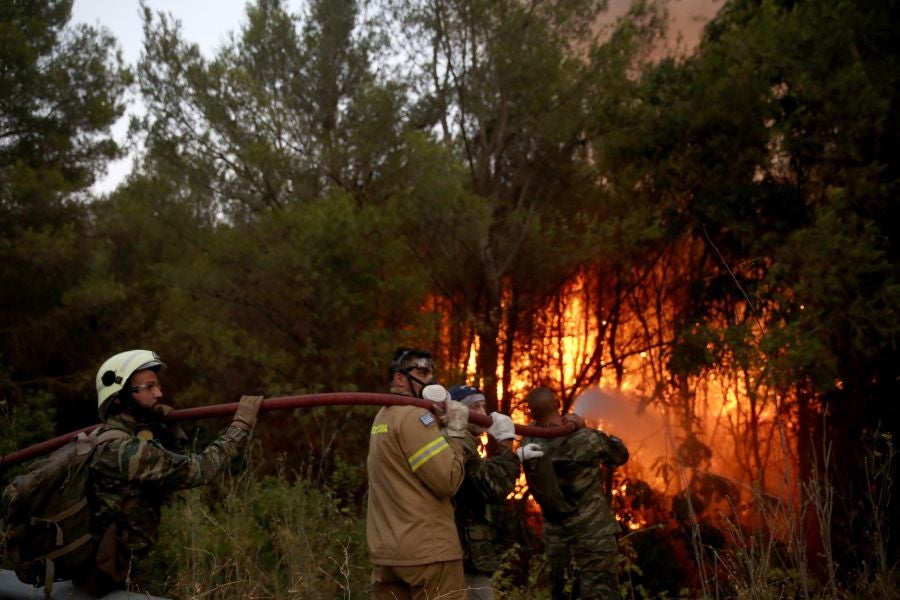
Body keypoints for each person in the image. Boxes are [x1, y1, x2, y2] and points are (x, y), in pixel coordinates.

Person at [76, 349, 262, 596]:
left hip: (112, 565)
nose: (159, 394)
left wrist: (165, 427)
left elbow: (170, 462)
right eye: (149, 387)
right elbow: (200, 470)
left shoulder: (108, 436)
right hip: (121, 571)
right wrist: (241, 425)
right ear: (120, 397)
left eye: (158, 386)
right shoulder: (124, 451)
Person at [366, 347, 471, 600]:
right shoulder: (416, 416)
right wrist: (456, 432)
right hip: (428, 553)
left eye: (432, 372)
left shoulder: (383, 417)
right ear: (400, 379)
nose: (431, 380)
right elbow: (447, 481)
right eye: (423, 372)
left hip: (388, 555)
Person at [521, 386, 629, 600]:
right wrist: (583, 425)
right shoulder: (585, 440)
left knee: (563, 593)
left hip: (558, 541)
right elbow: (619, 454)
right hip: (593, 537)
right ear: (558, 405)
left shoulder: (530, 443)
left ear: (532, 414)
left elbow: (538, 430)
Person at [448, 384, 544, 600]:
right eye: (475, 408)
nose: (483, 414)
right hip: (461, 556)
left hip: (467, 555)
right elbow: (493, 486)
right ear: (460, 413)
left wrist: (514, 458)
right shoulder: (457, 443)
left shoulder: (468, 443)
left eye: (484, 407)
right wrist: (505, 444)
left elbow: (477, 475)